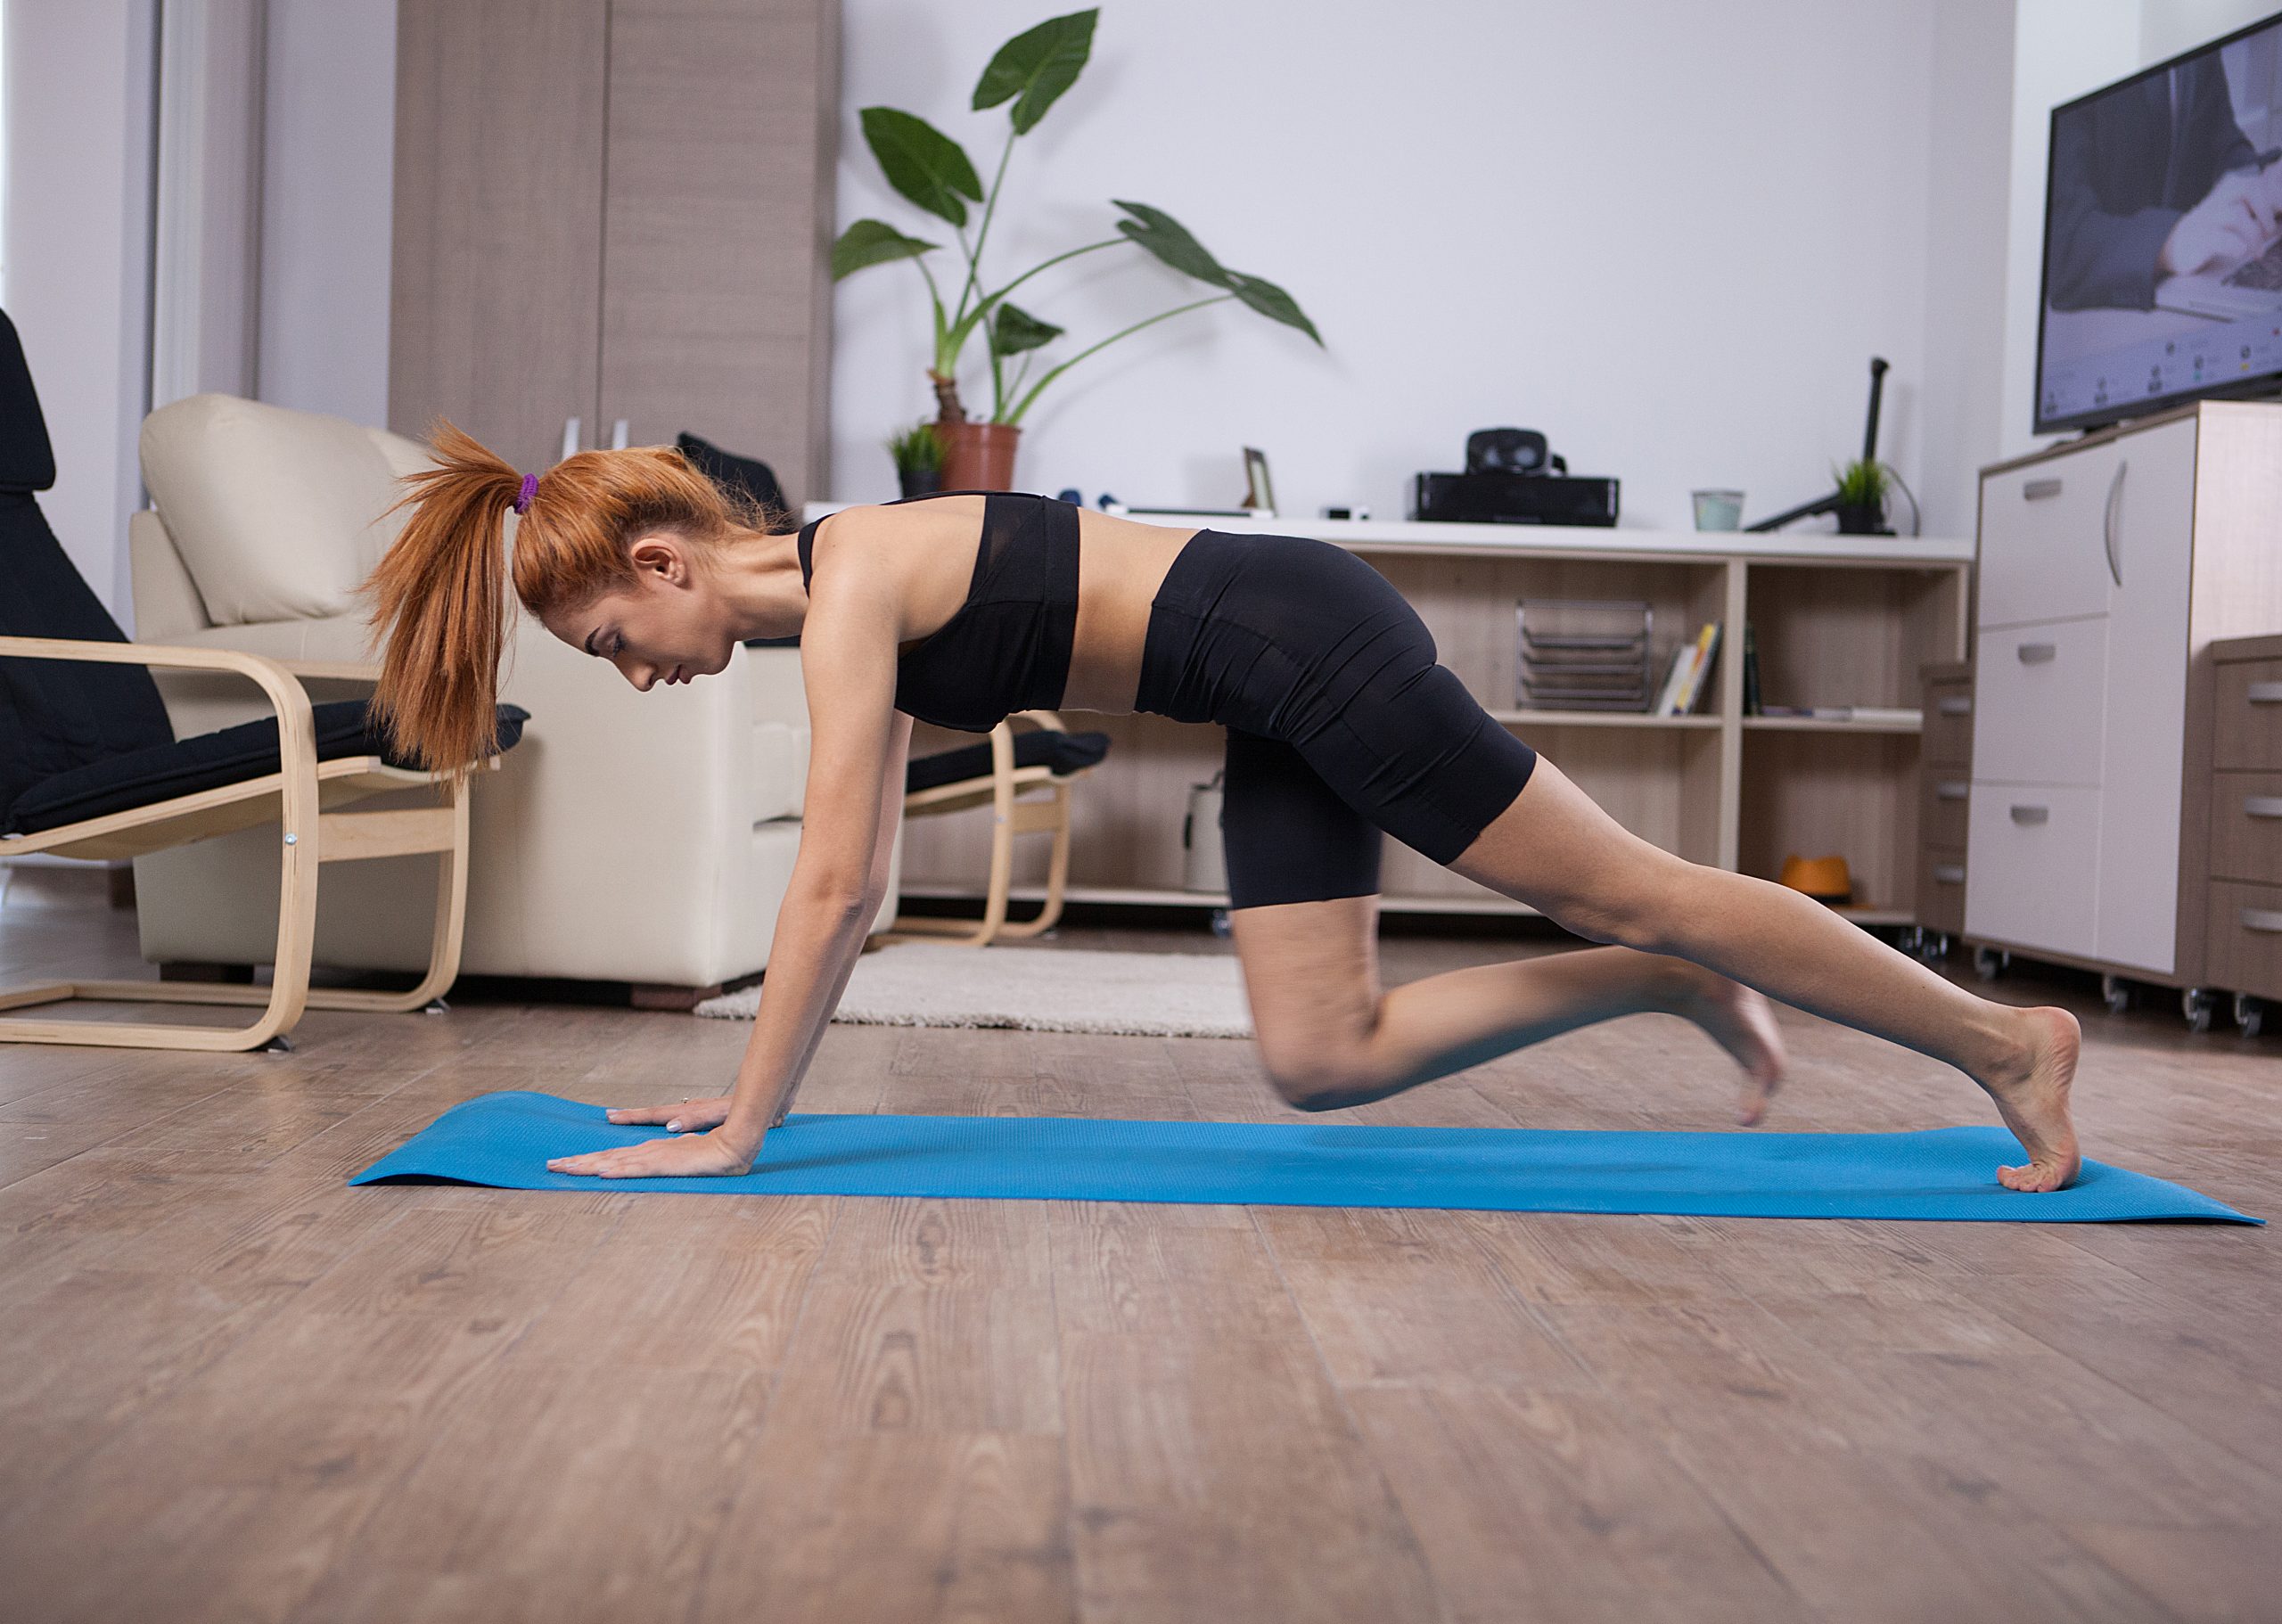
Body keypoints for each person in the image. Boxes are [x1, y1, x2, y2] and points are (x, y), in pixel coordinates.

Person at [367, 424, 2082, 1191]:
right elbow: (865, 885)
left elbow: (822, 888)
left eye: (613, 640)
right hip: (1255, 691)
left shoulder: (857, 571)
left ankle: (2007, 1046)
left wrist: (750, 1128)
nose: (636, 672)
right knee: (1319, 1054)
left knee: (1630, 877)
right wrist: (745, 1095)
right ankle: (1666, 981)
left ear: (661, 563)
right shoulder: (839, 601)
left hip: (1299, 642)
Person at [2047, 52, 2282, 310]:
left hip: (2181, 292)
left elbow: (2218, 143)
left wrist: (2260, 180)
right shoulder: (2064, 49)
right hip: (2090, 315)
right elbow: (2060, 243)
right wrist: (2170, 243)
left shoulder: (2193, 31)